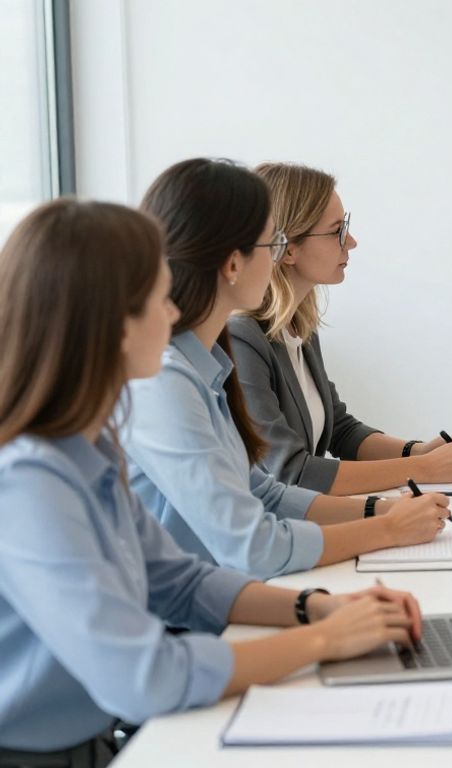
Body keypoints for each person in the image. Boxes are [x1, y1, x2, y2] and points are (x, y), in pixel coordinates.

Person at [0, 199, 427, 767]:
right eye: (158, 295)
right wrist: (325, 639)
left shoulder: (88, 446)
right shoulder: (27, 481)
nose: (172, 308)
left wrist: (315, 609)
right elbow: (144, 676)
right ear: (111, 322)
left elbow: (175, 580)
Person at [125, 158, 450, 579]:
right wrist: (387, 524)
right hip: (202, 604)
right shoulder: (168, 381)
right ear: (233, 264)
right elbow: (254, 542)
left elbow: (264, 492)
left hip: (218, 589)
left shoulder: (207, 364)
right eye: (271, 244)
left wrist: (384, 510)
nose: (276, 257)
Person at [228, 162, 452, 495]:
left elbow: (341, 431)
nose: (351, 241)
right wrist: (423, 468)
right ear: (288, 248)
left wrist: (418, 451)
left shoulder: (299, 325)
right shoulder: (241, 339)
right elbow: (291, 472)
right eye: (337, 230)